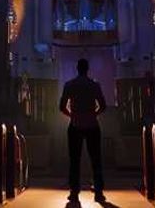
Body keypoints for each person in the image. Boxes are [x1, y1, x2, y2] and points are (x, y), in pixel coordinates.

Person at [59, 58, 107, 203]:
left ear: (77, 68)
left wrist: (72, 115)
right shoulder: (94, 85)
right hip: (92, 124)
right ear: (87, 69)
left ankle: (74, 192)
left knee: (74, 160)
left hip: (75, 124)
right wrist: (93, 114)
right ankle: (98, 192)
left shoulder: (69, 85)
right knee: (96, 159)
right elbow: (103, 106)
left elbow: (62, 106)